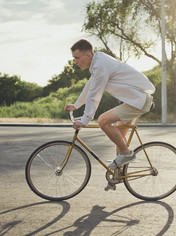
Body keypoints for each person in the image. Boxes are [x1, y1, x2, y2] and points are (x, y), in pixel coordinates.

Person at [65, 39, 155, 170]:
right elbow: (89, 86)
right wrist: (76, 105)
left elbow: (94, 95)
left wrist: (84, 120)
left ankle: (128, 154)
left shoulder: (100, 65)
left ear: (88, 56)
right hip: (133, 100)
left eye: (77, 58)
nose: (75, 62)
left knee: (103, 120)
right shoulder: (98, 62)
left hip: (138, 101)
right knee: (119, 137)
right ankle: (118, 175)